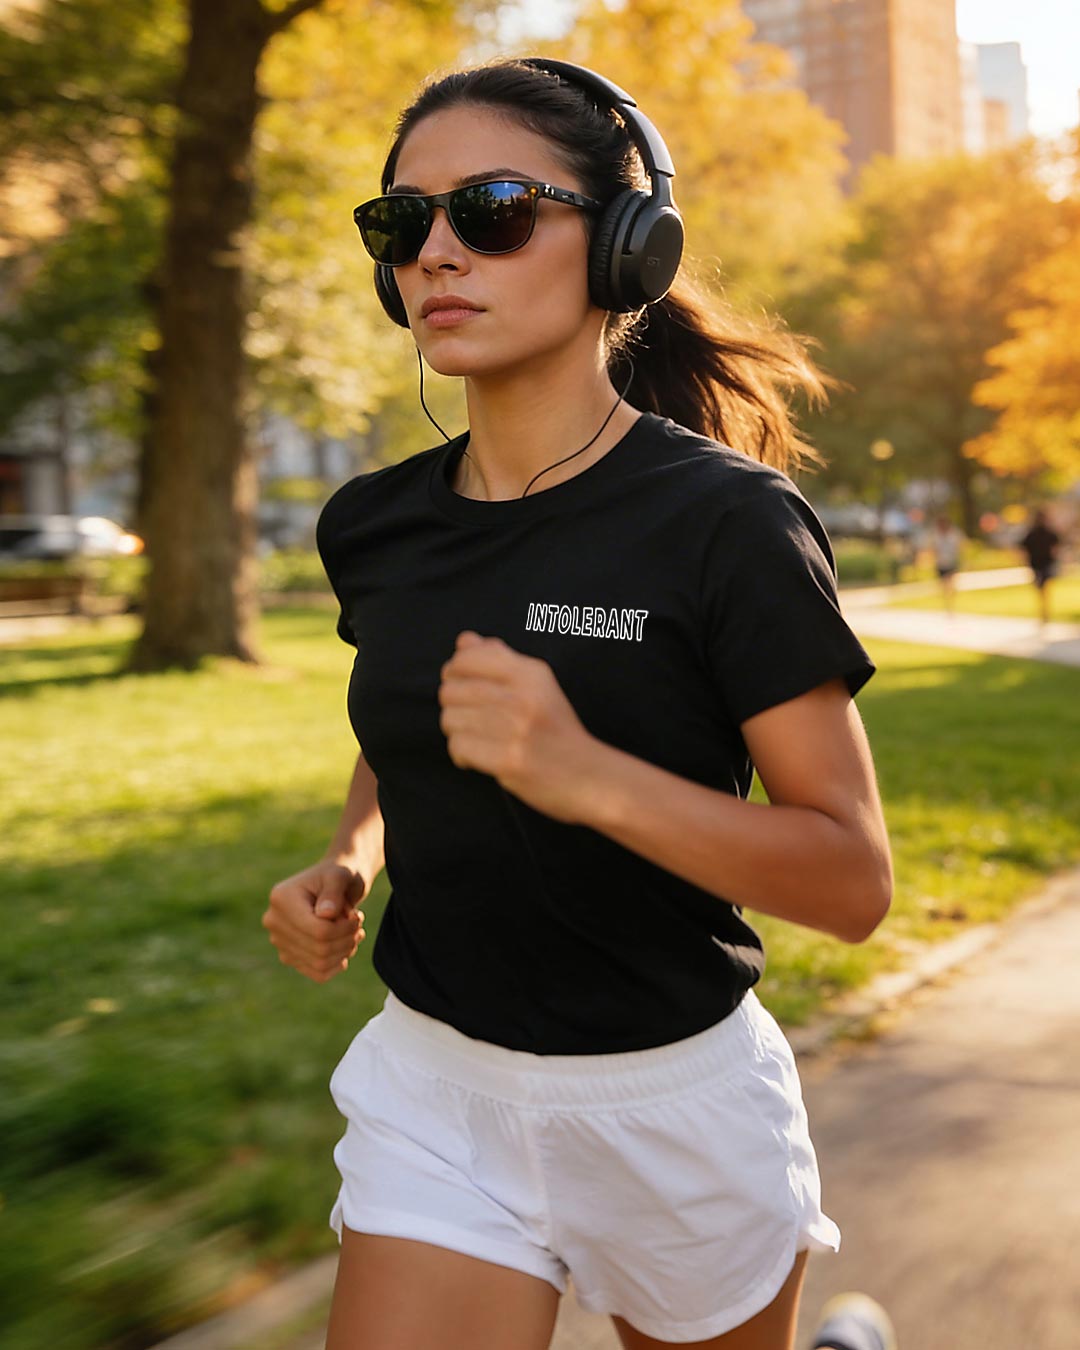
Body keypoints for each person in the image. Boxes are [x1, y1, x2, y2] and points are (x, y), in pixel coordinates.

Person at [262, 58, 893, 1350]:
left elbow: (850, 878)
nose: (435, 252)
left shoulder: (727, 524)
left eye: (489, 210)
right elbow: (413, 719)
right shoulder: (374, 523)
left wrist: (586, 774)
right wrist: (350, 852)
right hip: (436, 1086)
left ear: (624, 245)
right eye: (402, 222)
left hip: (672, 1104)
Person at [1018, 507, 1061, 627]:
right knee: (1043, 589)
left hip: (1041, 564)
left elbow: (1023, 549)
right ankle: (1044, 612)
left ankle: (1044, 613)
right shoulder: (1037, 533)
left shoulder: (1037, 533)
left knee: (1042, 589)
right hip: (1041, 564)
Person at [927, 515, 964, 614]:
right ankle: (947, 604)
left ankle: (950, 604)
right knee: (944, 586)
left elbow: (961, 545)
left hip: (952, 562)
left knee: (951, 584)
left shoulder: (954, 534)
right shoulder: (935, 535)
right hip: (941, 564)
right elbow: (932, 548)